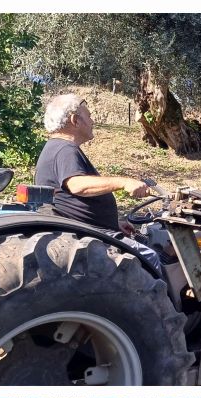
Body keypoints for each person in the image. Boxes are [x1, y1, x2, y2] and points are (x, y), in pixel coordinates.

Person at [34, 93, 161, 271]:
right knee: (150, 258)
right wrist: (124, 182)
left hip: (91, 230)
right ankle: (165, 300)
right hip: (89, 236)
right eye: (89, 116)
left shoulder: (56, 147)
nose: (93, 121)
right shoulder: (65, 149)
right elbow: (76, 185)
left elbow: (69, 200)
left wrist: (113, 222)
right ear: (75, 120)